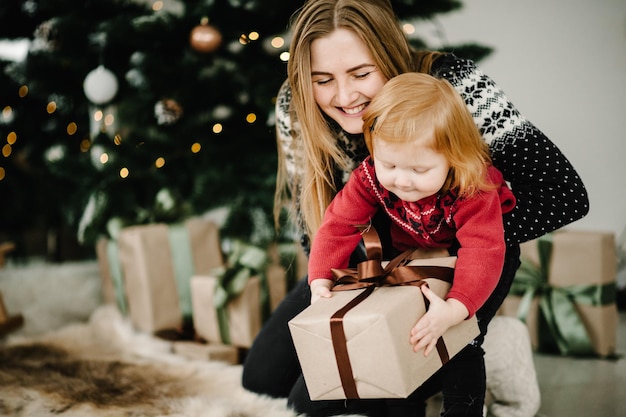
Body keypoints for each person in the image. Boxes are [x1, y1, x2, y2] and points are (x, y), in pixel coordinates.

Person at [242, 0, 589, 416]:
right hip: (368, 259)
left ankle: (469, 336)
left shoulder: (453, 86)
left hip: (460, 255)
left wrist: (457, 242)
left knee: (342, 393)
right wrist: (341, 289)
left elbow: (564, 194)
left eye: (361, 73)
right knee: (262, 379)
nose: (345, 95)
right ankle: (466, 339)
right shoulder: (294, 106)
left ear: (389, 58)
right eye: (322, 79)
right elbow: (313, 221)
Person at [308, 73, 516, 365]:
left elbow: (483, 251)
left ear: (453, 158)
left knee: (463, 343)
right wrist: (320, 279)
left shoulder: (473, 187)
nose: (403, 181)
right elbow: (338, 225)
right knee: (400, 342)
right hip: (410, 258)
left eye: (419, 170)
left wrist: (455, 309)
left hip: (467, 260)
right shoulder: (369, 176)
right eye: (389, 164)